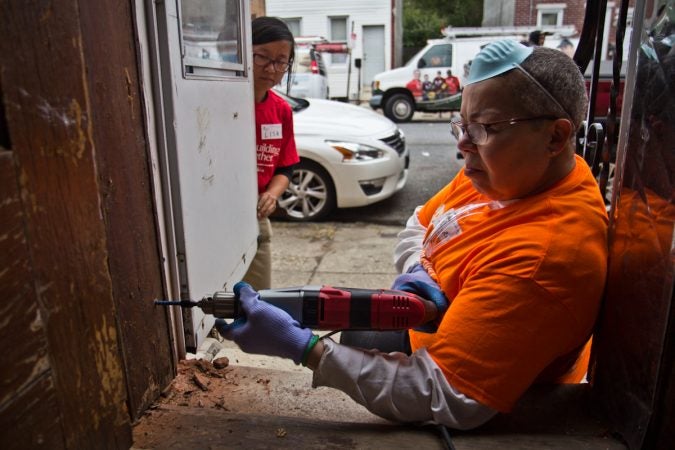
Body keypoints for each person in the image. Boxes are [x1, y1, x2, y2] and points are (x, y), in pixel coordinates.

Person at [216, 40, 609, 430]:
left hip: (482, 395)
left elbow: (439, 393)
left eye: (484, 128)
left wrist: (305, 349)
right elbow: (419, 223)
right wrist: (422, 273)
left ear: (556, 138)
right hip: (434, 338)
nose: (462, 144)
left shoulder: (546, 257)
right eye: (462, 124)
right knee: (354, 333)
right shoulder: (506, 173)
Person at [242, 17, 300, 290]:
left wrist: (272, 195)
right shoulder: (223, 105)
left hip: (255, 216)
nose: (272, 68)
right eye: (262, 57)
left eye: (281, 61)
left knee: (257, 301)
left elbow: (286, 167)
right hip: (218, 213)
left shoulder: (281, 110)